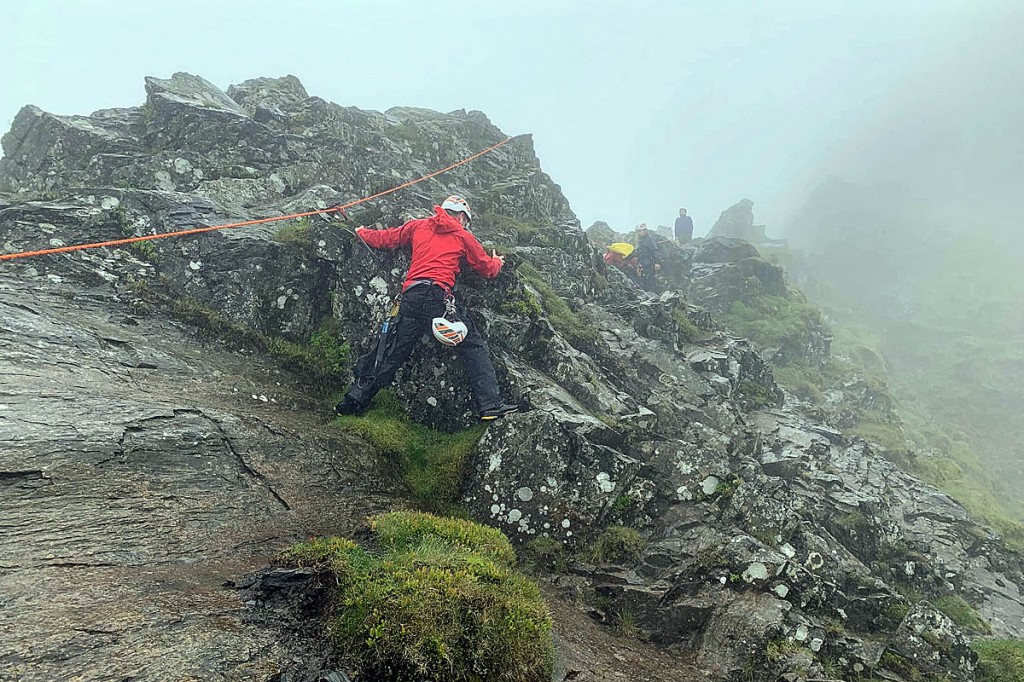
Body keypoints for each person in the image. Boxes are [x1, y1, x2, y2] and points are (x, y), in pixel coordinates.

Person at [334, 195, 519, 422]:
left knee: (390, 353)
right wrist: (498, 261)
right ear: (461, 216)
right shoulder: (463, 235)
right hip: (437, 298)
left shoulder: (418, 225)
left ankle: (351, 403)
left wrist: (362, 232)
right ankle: (491, 405)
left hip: (411, 297)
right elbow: (486, 268)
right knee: (473, 345)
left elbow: (387, 238)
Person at [633, 223, 660, 292]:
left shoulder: (649, 239)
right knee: (643, 280)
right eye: (638, 231)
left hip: (649, 262)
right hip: (641, 262)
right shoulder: (640, 241)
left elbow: (655, 250)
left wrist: (657, 262)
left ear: (644, 231)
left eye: (640, 231)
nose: (638, 233)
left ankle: (653, 295)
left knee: (650, 280)